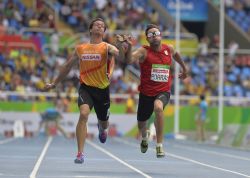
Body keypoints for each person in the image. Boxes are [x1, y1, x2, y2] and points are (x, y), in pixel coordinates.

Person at [45, 18, 126, 164]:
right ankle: (80, 153)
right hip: (86, 88)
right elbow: (67, 67)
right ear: (90, 29)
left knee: (104, 122)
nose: (100, 26)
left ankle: (102, 129)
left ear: (104, 31)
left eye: (102, 26)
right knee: (83, 114)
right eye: (97, 24)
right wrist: (54, 83)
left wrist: (119, 44)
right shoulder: (81, 48)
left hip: (102, 90)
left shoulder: (106, 47)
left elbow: (117, 53)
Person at [123, 24, 188, 158]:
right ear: (147, 39)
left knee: (158, 108)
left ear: (160, 35)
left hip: (163, 91)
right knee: (142, 124)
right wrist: (129, 46)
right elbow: (129, 60)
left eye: (156, 33)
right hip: (146, 93)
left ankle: (159, 145)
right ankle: (145, 136)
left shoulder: (168, 48)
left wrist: (184, 68)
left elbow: (176, 54)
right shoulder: (143, 51)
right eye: (151, 35)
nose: (154, 36)